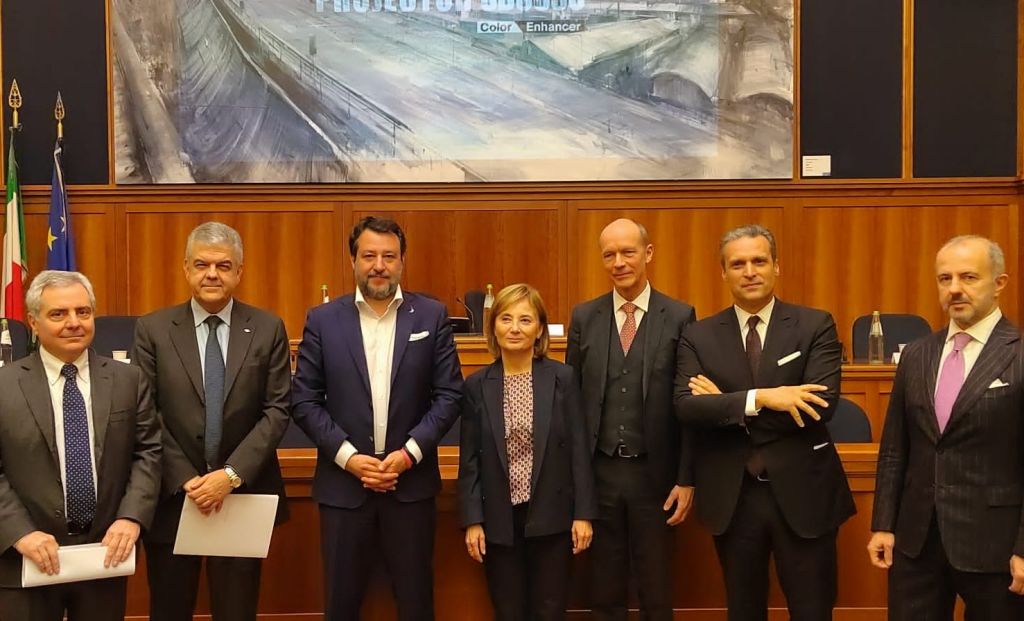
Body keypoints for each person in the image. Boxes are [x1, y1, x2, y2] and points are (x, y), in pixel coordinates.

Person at [675, 224, 855, 620]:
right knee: (744, 610)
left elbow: (819, 406)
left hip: (805, 490)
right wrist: (764, 398)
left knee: (813, 610)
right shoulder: (698, 336)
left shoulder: (814, 324)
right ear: (723, 272)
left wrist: (726, 407)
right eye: (738, 264)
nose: (749, 271)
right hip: (734, 496)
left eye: (759, 261)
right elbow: (687, 408)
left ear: (776, 266)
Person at [291, 215, 464, 621]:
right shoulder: (323, 320)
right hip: (343, 490)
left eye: (389, 256)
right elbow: (304, 400)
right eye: (369, 256)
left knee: (416, 604)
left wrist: (407, 455)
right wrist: (350, 458)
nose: (379, 266)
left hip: (411, 487)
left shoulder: (431, 316)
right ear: (353, 261)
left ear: (402, 261)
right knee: (341, 606)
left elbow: (450, 394)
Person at [132, 222, 291, 621]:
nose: (212, 274)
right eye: (202, 264)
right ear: (186, 268)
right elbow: (145, 412)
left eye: (224, 265)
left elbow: (277, 410)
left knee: (237, 610)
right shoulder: (153, 329)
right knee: (169, 609)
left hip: (242, 496)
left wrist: (230, 476)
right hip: (173, 497)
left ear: (240, 271)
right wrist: (187, 478)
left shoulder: (268, 328)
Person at [869, 235, 1024, 618]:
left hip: (997, 546)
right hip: (916, 542)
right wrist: (883, 524)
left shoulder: (1019, 352)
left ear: (999, 283)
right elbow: (895, 449)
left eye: (969, 277)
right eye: (945, 278)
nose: (954, 289)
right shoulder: (916, 354)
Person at [0, 270, 161, 620]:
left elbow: (148, 453)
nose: (74, 322)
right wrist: (20, 532)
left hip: (104, 554)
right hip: (26, 556)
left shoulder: (128, 379)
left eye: (83, 312)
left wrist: (131, 516)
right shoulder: (4, 385)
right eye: (58, 314)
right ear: (34, 322)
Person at [565, 218, 696, 620]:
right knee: (604, 590)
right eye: (609, 255)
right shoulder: (584, 317)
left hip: (655, 478)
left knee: (656, 590)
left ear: (648, 253)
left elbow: (689, 406)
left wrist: (686, 478)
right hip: (599, 474)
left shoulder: (679, 316)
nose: (619, 262)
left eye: (628, 252)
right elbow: (571, 402)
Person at [458, 283, 597, 620]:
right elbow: (470, 459)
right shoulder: (477, 385)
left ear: (539, 329)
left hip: (553, 516)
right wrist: (473, 520)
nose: (515, 328)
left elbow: (579, 449)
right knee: (508, 611)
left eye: (525, 319)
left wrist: (583, 514)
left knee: (550, 611)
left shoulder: (563, 378)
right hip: (499, 521)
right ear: (493, 327)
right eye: (506, 318)